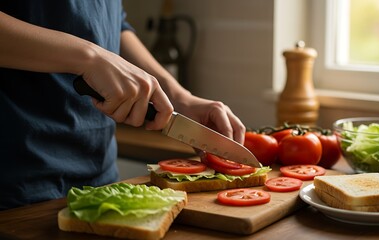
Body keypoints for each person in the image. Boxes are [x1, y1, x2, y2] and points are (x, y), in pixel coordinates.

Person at [0, 1, 246, 210]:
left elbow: (114, 24)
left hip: (100, 177)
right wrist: (89, 57)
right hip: (16, 181)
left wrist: (178, 96)